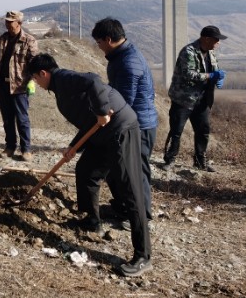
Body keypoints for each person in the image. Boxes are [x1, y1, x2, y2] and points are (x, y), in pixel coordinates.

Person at [27, 53, 152, 277]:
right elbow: (88, 119)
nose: (36, 83)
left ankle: (143, 256)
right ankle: (91, 221)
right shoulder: (59, 87)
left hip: (120, 129)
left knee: (129, 189)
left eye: (35, 78)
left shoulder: (63, 77)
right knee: (86, 171)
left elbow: (94, 80)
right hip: (102, 133)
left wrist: (103, 111)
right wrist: (74, 146)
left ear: (43, 73)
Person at [92, 18, 158, 223]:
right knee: (118, 168)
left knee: (136, 172)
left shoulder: (129, 63)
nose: (99, 47)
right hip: (133, 122)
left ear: (108, 39)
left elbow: (123, 101)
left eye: (99, 42)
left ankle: (141, 217)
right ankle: (125, 208)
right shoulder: (123, 55)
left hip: (139, 126)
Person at [163, 25, 228, 172]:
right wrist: (210, 76)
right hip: (183, 99)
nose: (218, 42)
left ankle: (200, 162)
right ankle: (170, 160)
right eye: (216, 39)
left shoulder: (211, 53)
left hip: (202, 100)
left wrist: (218, 77)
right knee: (176, 131)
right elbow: (189, 74)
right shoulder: (188, 52)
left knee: (203, 131)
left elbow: (215, 69)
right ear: (206, 39)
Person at [0, 10, 39, 161]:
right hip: (3, 84)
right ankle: (10, 147)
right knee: (7, 119)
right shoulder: (3, 39)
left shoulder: (29, 41)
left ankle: (26, 149)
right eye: (6, 21)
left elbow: (35, 64)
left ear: (19, 23)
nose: (7, 24)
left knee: (22, 119)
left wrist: (32, 81)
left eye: (10, 22)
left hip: (19, 86)